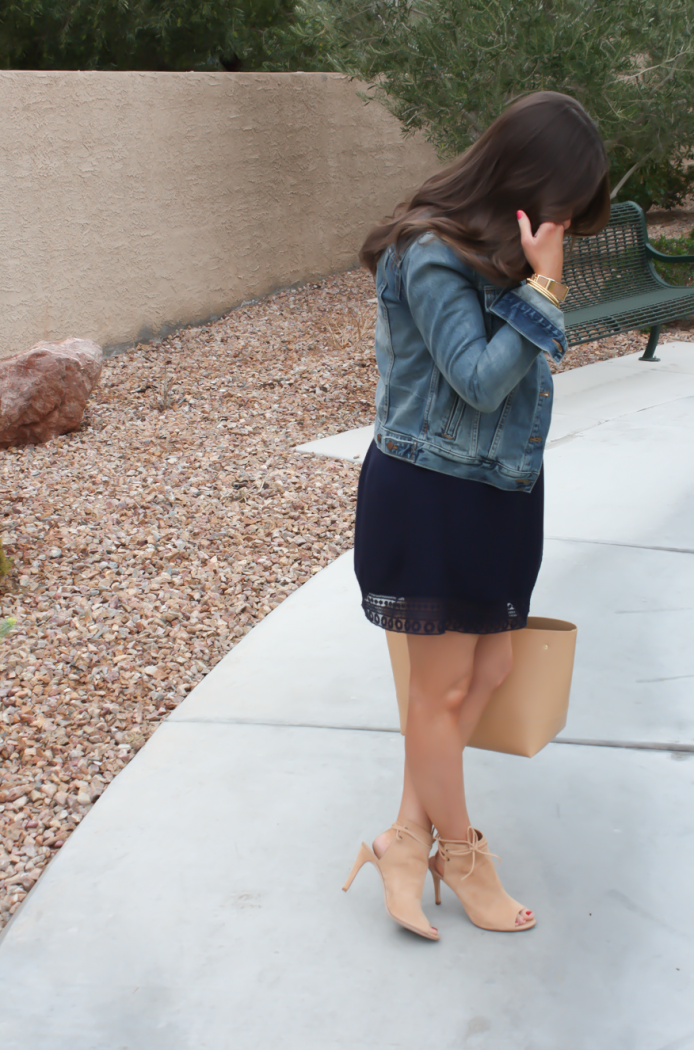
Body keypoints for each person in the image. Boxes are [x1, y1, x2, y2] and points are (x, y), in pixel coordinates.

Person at [342, 92, 610, 939]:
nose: (564, 226)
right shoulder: (431, 252)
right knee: (441, 687)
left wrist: (535, 280)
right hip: (430, 497)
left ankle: (401, 838)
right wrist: (545, 285)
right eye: (563, 207)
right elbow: (480, 378)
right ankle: (460, 859)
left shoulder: (492, 251)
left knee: (488, 674)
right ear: (525, 181)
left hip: (496, 494)